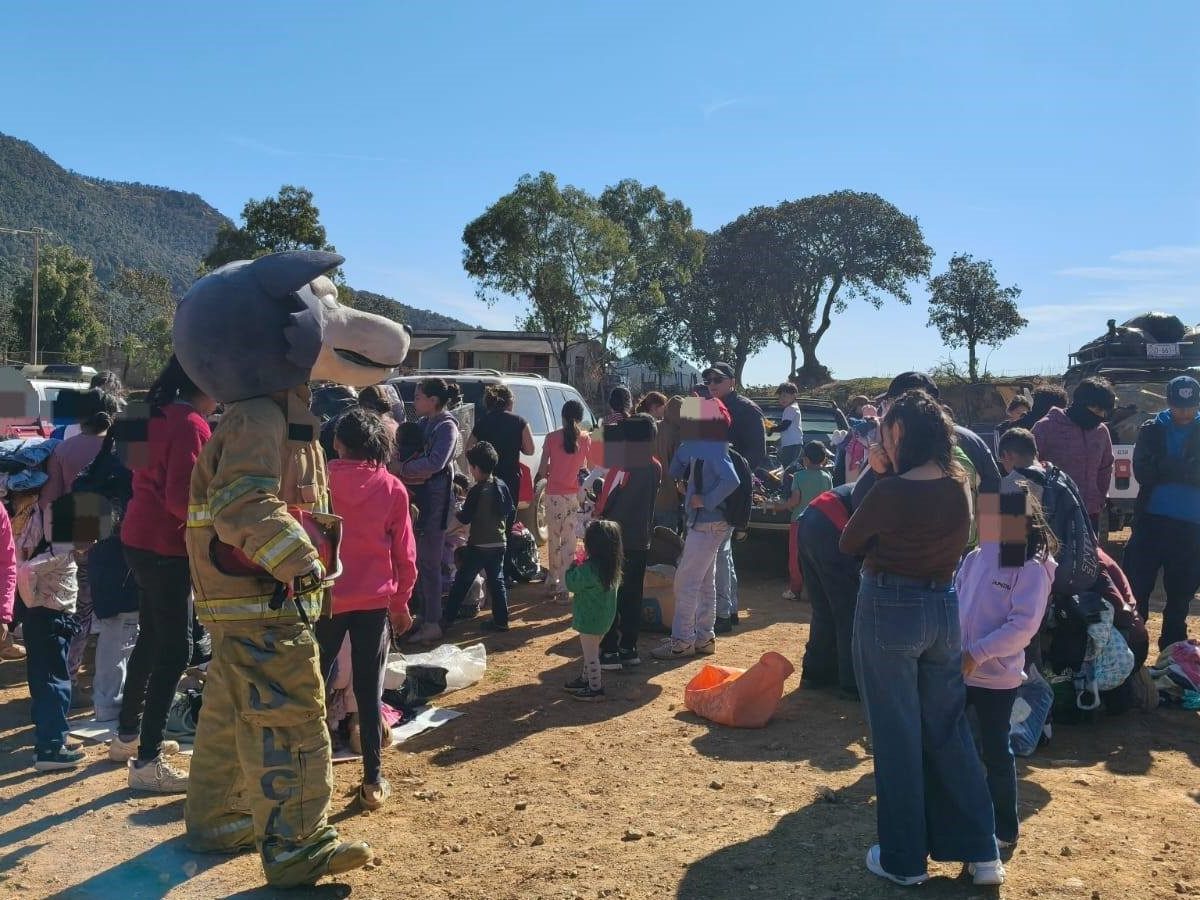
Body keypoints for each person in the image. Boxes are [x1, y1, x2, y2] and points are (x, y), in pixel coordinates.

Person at [839, 390, 1003, 887]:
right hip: (942, 606)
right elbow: (986, 533)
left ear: (902, 432)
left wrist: (878, 472)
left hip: (888, 605)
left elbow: (848, 541)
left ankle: (904, 859)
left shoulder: (891, 490)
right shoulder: (959, 486)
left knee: (896, 736)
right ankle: (982, 852)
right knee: (949, 730)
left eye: (887, 428)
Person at [111, 357, 215, 792]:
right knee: (176, 651)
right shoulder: (192, 425)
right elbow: (180, 501)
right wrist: (219, 523)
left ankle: (127, 736)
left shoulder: (144, 411)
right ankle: (147, 760)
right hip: (166, 547)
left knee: (152, 637)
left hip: (136, 536)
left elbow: (134, 474)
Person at [319, 408, 416, 810]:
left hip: (325, 597)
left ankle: (309, 770)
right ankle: (373, 781)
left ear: (338, 443)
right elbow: (405, 555)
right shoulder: (392, 488)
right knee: (369, 689)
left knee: (314, 683)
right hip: (375, 602)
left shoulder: (320, 482)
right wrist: (401, 603)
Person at [957, 491, 1057, 850]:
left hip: (996, 678)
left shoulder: (1031, 568)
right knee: (953, 744)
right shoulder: (975, 557)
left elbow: (1022, 627)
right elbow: (956, 600)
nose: (986, 524)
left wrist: (978, 653)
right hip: (959, 670)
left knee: (996, 750)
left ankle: (1005, 829)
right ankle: (960, 816)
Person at [40, 387, 122, 695]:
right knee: (113, 619)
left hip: (69, 539)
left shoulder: (63, 450)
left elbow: (50, 499)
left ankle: (67, 678)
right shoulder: (118, 452)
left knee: (74, 613)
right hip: (109, 539)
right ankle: (104, 684)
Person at [653, 400, 739, 660]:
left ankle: (682, 641)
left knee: (686, 582)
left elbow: (731, 479)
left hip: (707, 522)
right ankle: (704, 637)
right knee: (704, 582)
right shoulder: (708, 444)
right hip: (711, 522)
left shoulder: (710, 447)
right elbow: (678, 469)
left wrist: (706, 499)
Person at [1123, 375, 1200, 649]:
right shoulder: (1152, 429)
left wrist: (1166, 468)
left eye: (1190, 406)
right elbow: (1144, 473)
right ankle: (1136, 650)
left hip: (1191, 526)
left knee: (1181, 595)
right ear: (1169, 402)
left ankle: (1172, 652)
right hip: (1151, 522)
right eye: (1180, 406)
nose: (1185, 412)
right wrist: (1184, 469)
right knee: (1138, 587)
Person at [700, 362, 765, 634]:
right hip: (703, 487)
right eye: (707, 379)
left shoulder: (747, 409)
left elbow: (757, 453)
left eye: (717, 379)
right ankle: (729, 608)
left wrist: (735, 477)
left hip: (732, 489)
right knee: (721, 552)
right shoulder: (701, 405)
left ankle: (724, 613)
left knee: (719, 551)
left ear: (732, 382)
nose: (711, 383)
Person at [397, 378, 462, 643]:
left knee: (431, 564)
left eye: (419, 396)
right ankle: (424, 616)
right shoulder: (425, 424)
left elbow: (435, 463)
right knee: (420, 563)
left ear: (433, 401)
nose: (415, 401)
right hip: (421, 502)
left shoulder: (446, 427)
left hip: (435, 505)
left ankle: (433, 622)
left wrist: (401, 470)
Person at [597, 415, 661, 670]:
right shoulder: (655, 466)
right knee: (633, 594)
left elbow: (605, 501)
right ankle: (629, 648)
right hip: (640, 537)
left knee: (609, 591)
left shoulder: (622, 465)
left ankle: (610, 650)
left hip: (614, 537)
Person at [440, 442, 516, 634]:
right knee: (496, 581)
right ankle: (501, 620)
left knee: (462, 581)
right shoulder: (501, 485)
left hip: (479, 544)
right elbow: (510, 511)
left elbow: (465, 517)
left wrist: (456, 509)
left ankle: (447, 618)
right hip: (499, 543)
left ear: (476, 468)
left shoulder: (476, 491)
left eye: (472, 468)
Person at [796, 484, 860, 695]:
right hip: (831, 527)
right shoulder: (887, 484)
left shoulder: (869, 480)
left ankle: (815, 674)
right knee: (848, 610)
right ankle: (851, 682)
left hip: (809, 520)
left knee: (823, 607)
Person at [1031, 377, 1115, 532]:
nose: (1101, 416)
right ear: (1081, 404)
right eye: (1097, 410)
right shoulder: (1046, 427)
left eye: (1104, 412)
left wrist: (1100, 498)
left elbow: (1105, 467)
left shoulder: (1101, 431)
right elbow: (1030, 466)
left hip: (1090, 513)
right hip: (1054, 515)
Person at [469, 383, 533, 579]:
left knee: (484, 524)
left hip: (487, 479)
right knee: (506, 525)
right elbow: (529, 449)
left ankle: (483, 572)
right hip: (509, 481)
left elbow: (469, 447)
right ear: (508, 402)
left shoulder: (482, 422)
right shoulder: (519, 421)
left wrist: (479, 465)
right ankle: (503, 573)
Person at [538, 400, 592, 603]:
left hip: (553, 495)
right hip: (574, 496)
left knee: (554, 539)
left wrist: (554, 470)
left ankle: (553, 580)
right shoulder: (585, 439)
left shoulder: (551, 438)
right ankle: (565, 587)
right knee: (570, 540)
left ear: (562, 416)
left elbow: (543, 470)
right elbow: (585, 467)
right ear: (580, 418)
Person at [564, 519, 623, 701]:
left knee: (591, 656)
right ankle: (585, 679)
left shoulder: (589, 569)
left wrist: (573, 567)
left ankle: (595, 688)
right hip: (605, 618)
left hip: (589, 620)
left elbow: (571, 583)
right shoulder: (613, 569)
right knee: (592, 651)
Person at [779, 441, 833, 600]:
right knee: (818, 557)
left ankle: (795, 590)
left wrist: (780, 506)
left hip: (799, 522)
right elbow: (829, 499)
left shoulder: (798, 476)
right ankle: (818, 590)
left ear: (805, 460)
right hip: (820, 522)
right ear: (824, 460)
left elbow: (795, 501)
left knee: (795, 557)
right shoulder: (827, 477)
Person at [652, 396, 684, 531]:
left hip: (650, 495)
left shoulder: (652, 428)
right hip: (670, 498)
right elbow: (681, 468)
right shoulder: (679, 435)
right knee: (667, 544)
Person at [775, 382, 805, 470]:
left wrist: (772, 429)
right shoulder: (794, 407)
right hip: (795, 444)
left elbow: (785, 426)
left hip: (791, 445)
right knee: (790, 468)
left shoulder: (790, 408)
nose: (782, 399)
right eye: (780, 397)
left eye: (784, 395)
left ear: (794, 395)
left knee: (786, 468)